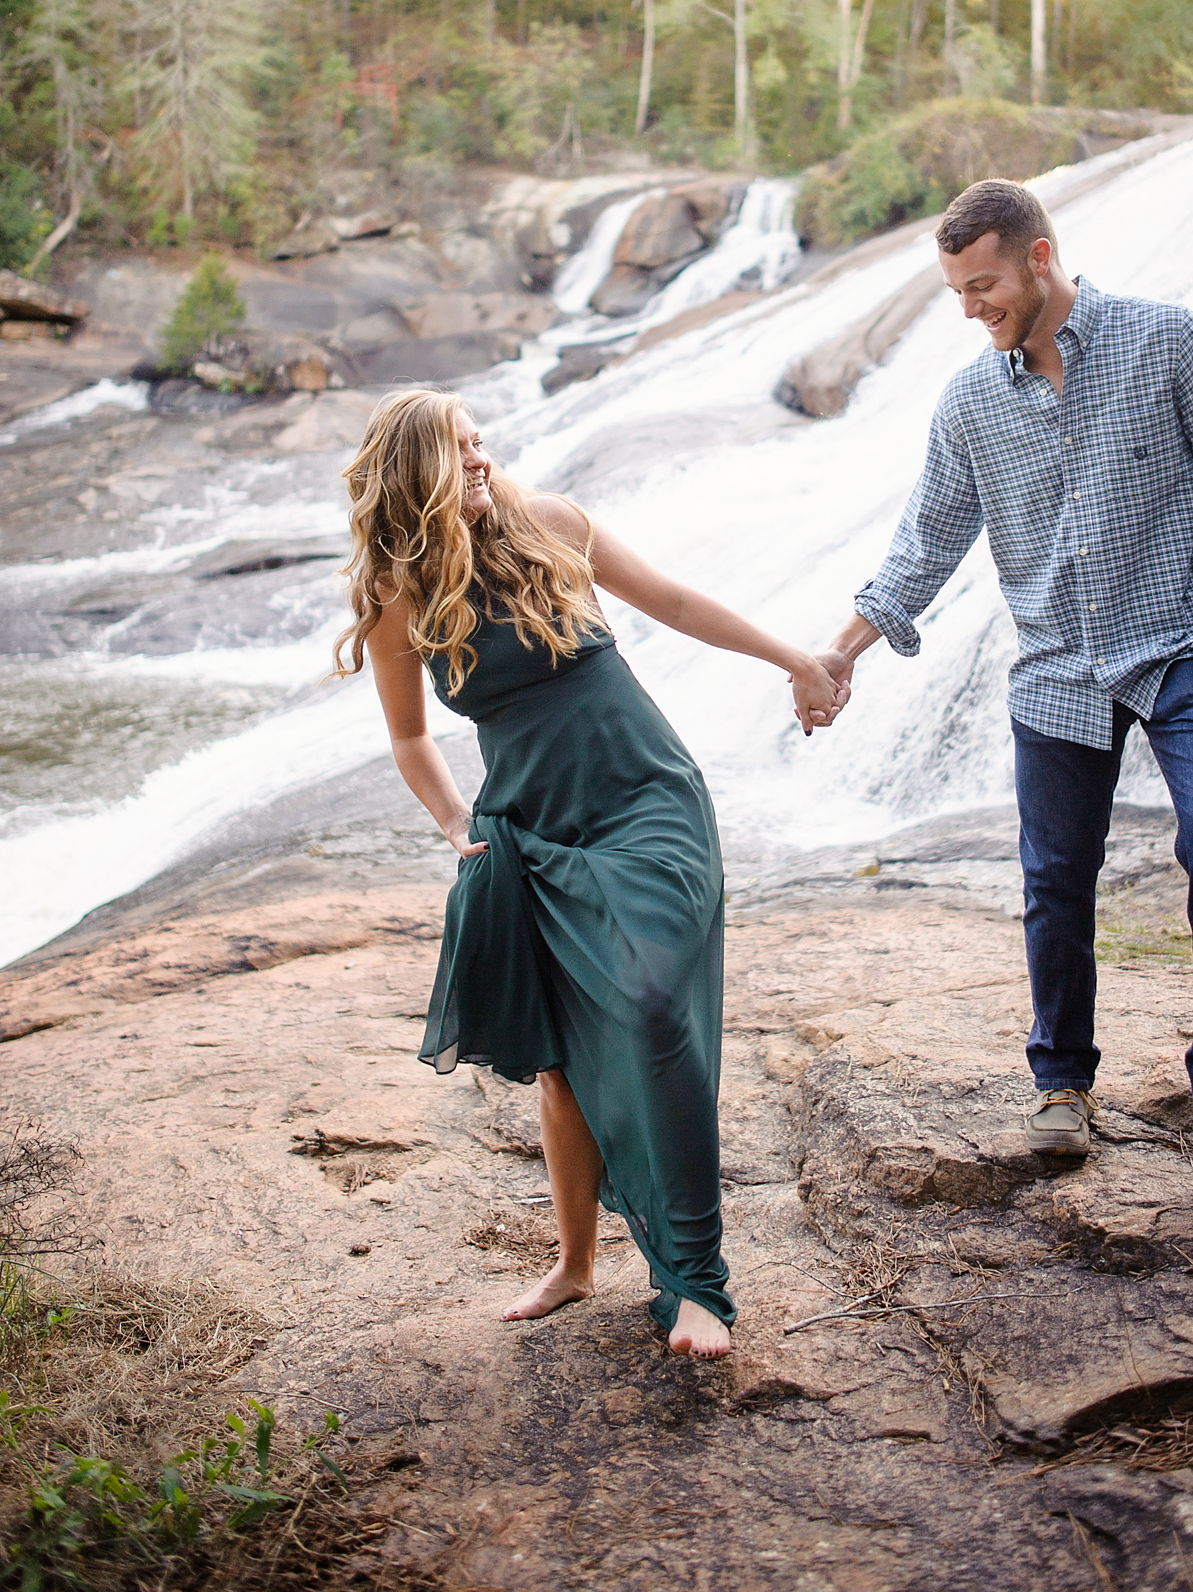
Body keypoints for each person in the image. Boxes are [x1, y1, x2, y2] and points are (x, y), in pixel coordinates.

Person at [813, 179, 1193, 1188]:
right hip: (1058, 668)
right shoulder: (970, 402)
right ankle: (1062, 1085)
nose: (971, 309)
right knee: (1055, 881)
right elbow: (927, 542)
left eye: (984, 285)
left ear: (1039, 257)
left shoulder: (1168, 341)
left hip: (1192, 644)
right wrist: (842, 649)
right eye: (957, 291)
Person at [334, 387, 841, 1358]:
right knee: (562, 1060)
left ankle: (697, 1286)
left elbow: (679, 601)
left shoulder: (554, 523)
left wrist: (794, 658)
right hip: (533, 832)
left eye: (482, 443)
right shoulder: (401, 594)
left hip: (647, 802)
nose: (481, 460)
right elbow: (408, 734)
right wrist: (453, 820)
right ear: (415, 473)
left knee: (650, 1005)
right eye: (460, 449)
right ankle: (573, 1264)